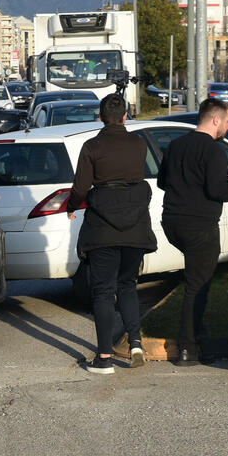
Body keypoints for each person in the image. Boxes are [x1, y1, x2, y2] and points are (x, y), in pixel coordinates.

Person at [66, 93, 156, 374]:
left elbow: (81, 187)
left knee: (103, 292)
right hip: (135, 227)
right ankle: (136, 343)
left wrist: (71, 206)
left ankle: (104, 358)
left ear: (100, 117)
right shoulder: (139, 144)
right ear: (126, 115)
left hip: (103, 229)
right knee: (127, 285)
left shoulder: (92, 146)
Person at [157, 99, 228, 365]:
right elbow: (217, 191)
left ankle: (197, 331)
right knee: (198, 285)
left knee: (196, 278)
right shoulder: (213, 151)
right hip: (199, 225)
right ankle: (187, 347)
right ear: (215, 119)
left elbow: (163, 181)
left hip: (172, 223)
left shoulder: (175, 145)